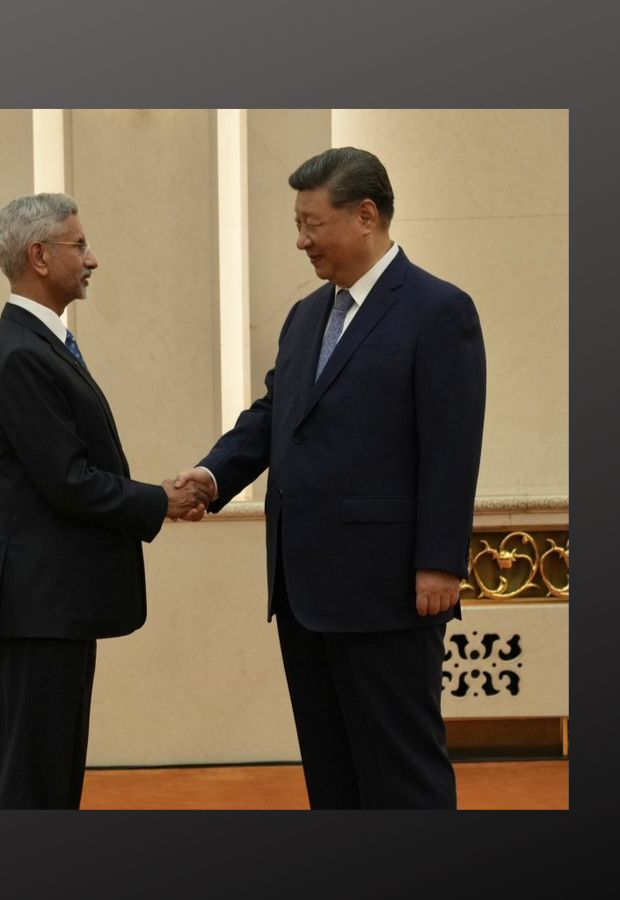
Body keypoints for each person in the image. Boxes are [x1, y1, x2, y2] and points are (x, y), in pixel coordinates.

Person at [176, 148, 486, 809]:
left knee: (402, 772)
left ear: (365, 216)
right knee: (333, 774)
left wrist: (440, 561)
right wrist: (211, 476)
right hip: (303, 590)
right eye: (298, 223)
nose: (301, 241)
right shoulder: (306, 316)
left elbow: (451, 446)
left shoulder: (438, 310)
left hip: (388, 590)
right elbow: (274, 416)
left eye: (312, 223)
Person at [0, 193, 208, 809]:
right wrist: (160, 500)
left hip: (52, 603)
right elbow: (69, 480)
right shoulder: (21, 353)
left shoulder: (38, 344)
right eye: (79, 245)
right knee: (37, 781)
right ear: (40, 256)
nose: (92, 258)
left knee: (53, 773)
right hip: (38, 605)